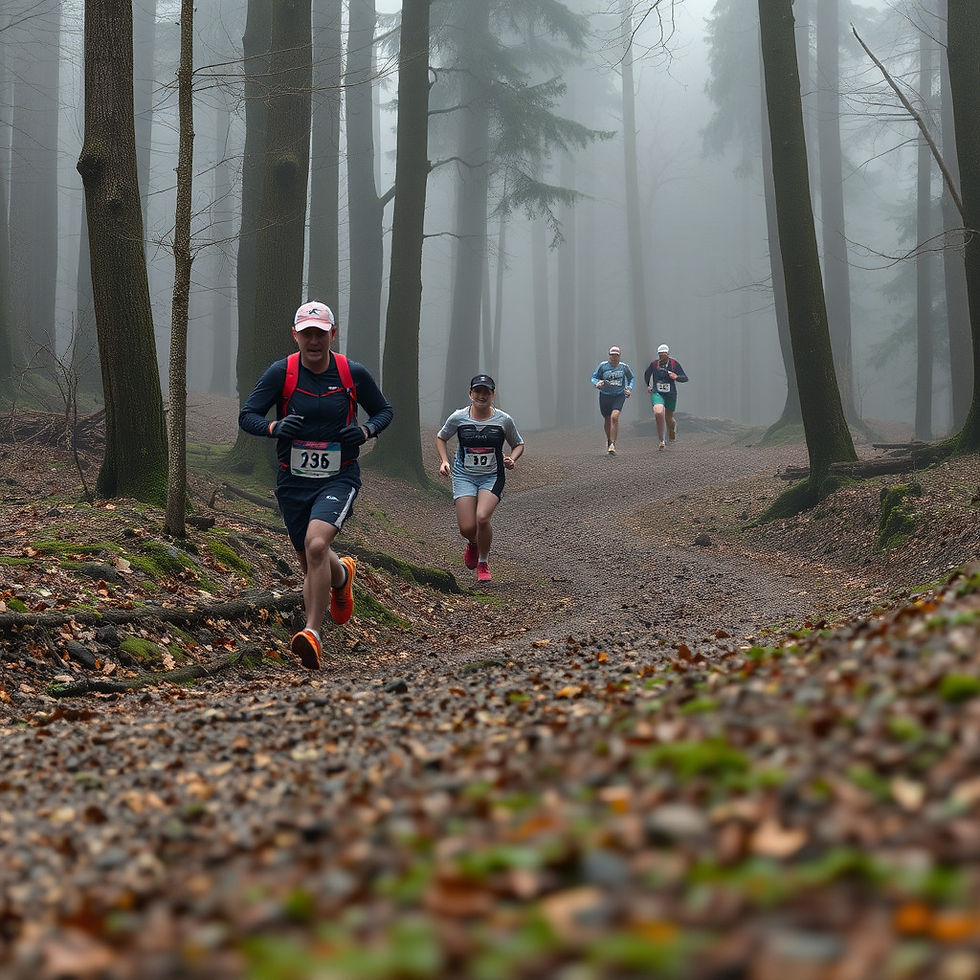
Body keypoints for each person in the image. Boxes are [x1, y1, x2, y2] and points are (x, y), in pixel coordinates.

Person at [239, 301, 393, 669]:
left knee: (317, 543)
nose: (313, 340)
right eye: (306, 333)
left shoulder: (351, 372)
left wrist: (364, 430)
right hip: (292, 481)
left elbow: (384, 411)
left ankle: (312, 633)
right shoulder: (282, 372)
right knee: (312, 561)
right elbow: (248, 416)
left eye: (320, 334)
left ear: (332, 336)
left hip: (340, 476)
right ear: (295, 335)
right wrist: (274, 427)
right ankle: (343, 576)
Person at [435, 375, 525, 583]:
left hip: (492, 476)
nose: (481, 396)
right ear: (470, 394)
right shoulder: (458, 417)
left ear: (493, 395)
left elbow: (519, 444)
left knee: (482, 517)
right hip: (463, 475)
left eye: (486, 392)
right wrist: (444, 461)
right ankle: (474, 543)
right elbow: (441, 437)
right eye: (478, 392)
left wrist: (512, 458)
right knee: (467, 528)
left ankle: (483, 562)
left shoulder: (503, 420)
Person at [590, 345, 634, 454]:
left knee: (615, 417)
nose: (614, 358)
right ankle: (609, 440)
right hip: (605, 395)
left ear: (619, 357)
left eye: (616, 356)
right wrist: (597, 383)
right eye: (612, 355)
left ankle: (613, 443)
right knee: (607, 419)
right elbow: (594, 377)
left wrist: (629, 388)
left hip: (619, 395)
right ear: (609, 356)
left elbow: (631, 378)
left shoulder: (624, 367)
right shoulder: (603, 366)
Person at [644, 343, 688, 451]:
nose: (662, 357)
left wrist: (676, 377)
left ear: (668, 354)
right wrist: (648, 386)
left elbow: (685, 378)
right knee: (658, 412)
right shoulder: (654, 364)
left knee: (669, 418)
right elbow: (646, 374)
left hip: (670, 394)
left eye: (664, 355)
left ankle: (672, 428)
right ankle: (661, 440)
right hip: (657, 392)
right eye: (660, 355)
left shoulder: (674, 364)